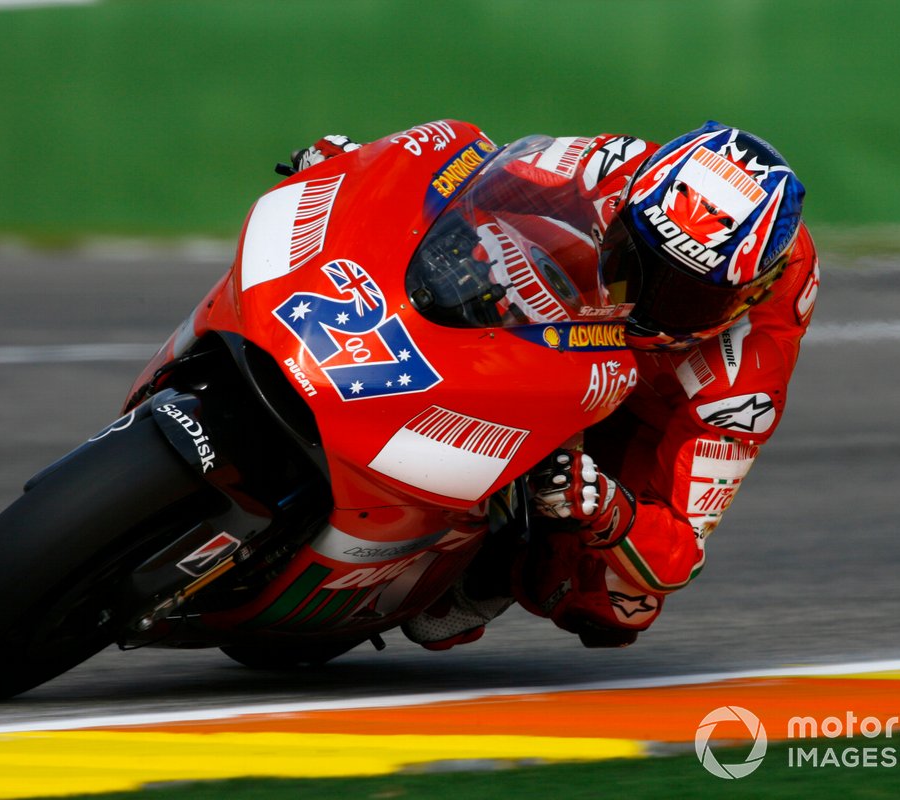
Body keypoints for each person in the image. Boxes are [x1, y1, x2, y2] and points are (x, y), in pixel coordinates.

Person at [290, 122, 820, 650]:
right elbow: (470, 170)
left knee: (619, 600)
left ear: (748, 296)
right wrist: (364, 170)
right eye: (638, 257)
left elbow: (680, 551)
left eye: (683, 296)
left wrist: (606, 506)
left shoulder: (748, 371)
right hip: (569, 315)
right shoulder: (616, 170)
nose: (646, 302)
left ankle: (496, 563)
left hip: (652, 400)